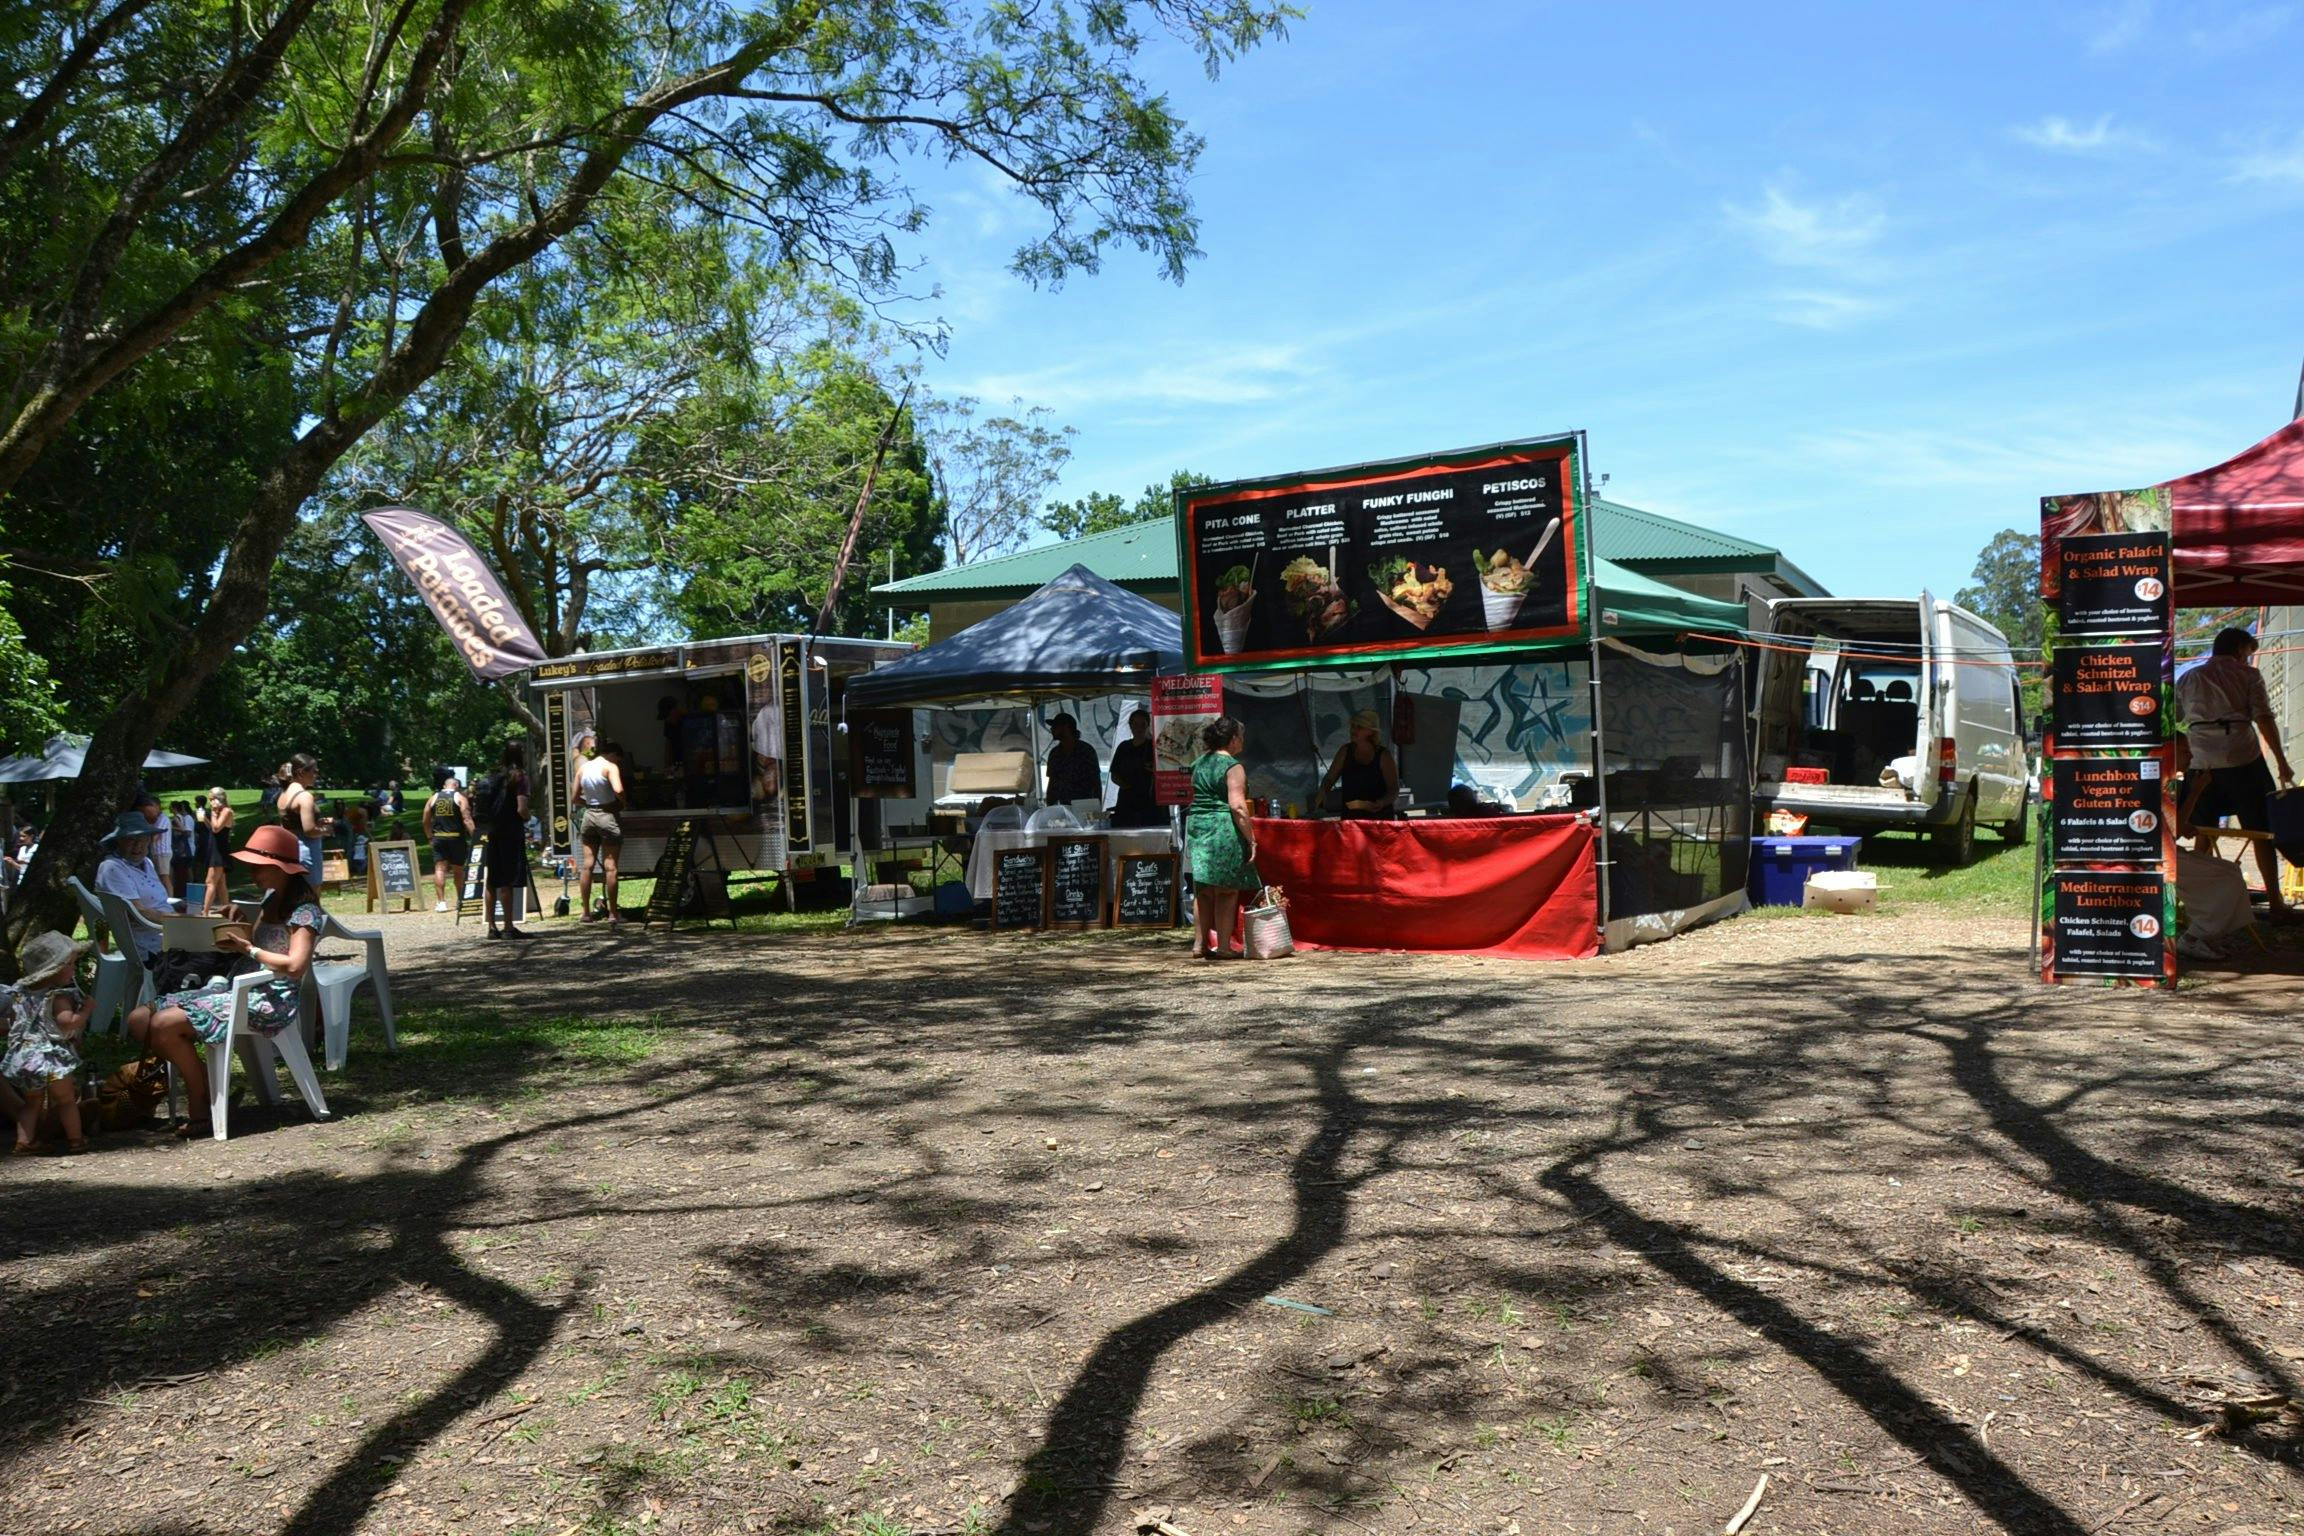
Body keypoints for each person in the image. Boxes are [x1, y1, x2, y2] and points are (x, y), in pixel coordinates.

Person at [126, 823, 325, 1142]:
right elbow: (263, 942)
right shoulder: (271, 898)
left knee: (163, 1024)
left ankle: (200, 1103)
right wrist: (239, 926)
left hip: (269, 998)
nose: (251, 873)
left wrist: (249, 949)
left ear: (280, 868)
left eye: (257, 867)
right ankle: (208, 1086)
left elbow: (295, 966)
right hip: (241, 986)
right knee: (139, 1020)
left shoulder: (304, 911)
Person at [2176, 627, 2295, 919]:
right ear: (2240, 649)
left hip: (2201, 759)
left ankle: (2194, 905)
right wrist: (2281, 761)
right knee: (2261, 832)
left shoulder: (2190, 677)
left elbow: (2176, 717)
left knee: (2203, 832)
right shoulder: (2248, 675)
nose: (2247, 659)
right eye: (2247, 653)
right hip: (2243, 758)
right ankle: (2277, 904)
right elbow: (2264, 718)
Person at [3, 932, 92, 1155]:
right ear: (54, 970)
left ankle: (24, 1142)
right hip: (50, 1059)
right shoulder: (58, 996)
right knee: (66, 1100)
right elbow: (66, 1023)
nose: (73, 969)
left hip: (25, 1057)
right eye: (70, 964)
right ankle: (76, 1140)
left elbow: (16, 1023)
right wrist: (86, 1011)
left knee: (31, 1102)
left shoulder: (19, 994)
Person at [1184, 716, 1258, 960]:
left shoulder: (1199, 763)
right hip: (1221, 828)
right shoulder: (1233, 766)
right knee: (1226, 890)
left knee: (1203, 888)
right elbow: (1237, 806)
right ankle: (1224, 947)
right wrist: (1251, 839)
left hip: (1197, 825)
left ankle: (1199, 945)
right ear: (1234, 739)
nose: (1243, 741)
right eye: (1241, 736)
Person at [95, 812, 175, 963]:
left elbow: (156, 901)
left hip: (166, 934)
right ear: (118, 841)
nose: (138, 846)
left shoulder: (147, 863)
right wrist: (182, 922)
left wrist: (181, 908)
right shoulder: (112, 868)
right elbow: (138, 912)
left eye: (143, 839)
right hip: (150, 947)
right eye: (131, 840)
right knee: (213, 952)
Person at [479, 745, 532, 938]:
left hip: (492, 831)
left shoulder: (494, 777)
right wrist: (528, 817)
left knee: (492, 879)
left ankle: (492, 927)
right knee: (507, 880)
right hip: (511, 831)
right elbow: (521, 808)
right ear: (521, 756)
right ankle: (508, 926)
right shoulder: (520, 778)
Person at [577, 737, 626, 925]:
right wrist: (623, 802)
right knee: (611, 867)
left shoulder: (584, 768)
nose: (617, 763)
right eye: (618, 759)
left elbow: (575, 798)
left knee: (587, 866)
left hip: (588, 816)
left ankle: (586, 913)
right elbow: (619, 790)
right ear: (613, 754)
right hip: (607, 815)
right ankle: (613, 914)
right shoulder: (610, 767)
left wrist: (589, 804)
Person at [1318, 708, 1400, 818]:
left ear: (1371, 731)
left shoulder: (1384, 755)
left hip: (1379, 820)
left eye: (1359, 727)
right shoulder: (1345, 751)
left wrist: (1381, 802)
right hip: (1352, 819)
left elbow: (1393, 788)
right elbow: (1329, 779)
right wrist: (1322, 793)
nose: (1353, 730)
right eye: (1353, 726)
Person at [275, 753, 330, 886]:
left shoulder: (283, 795)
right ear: (300, 773)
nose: (316, 775)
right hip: (306, 853)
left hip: (287, 851)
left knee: (292, 895)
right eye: (314, 771)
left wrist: (318, 823)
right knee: (311, 896)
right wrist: (325, 830)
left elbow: (291, 824)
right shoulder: (305, 796)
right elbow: (309, 830)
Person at [423, 772, 474, 913]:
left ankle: (441, 902)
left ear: (444, 786)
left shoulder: (433, 798)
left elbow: (425, 820)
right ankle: (460, 901)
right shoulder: (460, 798)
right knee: (458, 870)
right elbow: (467, 819)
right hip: (456, 838)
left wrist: (429, 837)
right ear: (456, 785)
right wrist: (475, 836)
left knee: (439, 869)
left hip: (438, 838)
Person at [1109, 709, 1162, 828]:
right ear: (1130, 726)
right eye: (1135, 724)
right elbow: (1114, 774)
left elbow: (1163, 772)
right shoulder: (1123, 747)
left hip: (1149, 801)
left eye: (1143, 724)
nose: (1139, 728)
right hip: (1126, 801)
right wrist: (1127, 786)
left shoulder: (1153, 747)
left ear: (1148, 725)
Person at [1045, 712, 1101, 808]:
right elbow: (1052, 783)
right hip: (1064, 806)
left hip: (1084, 805)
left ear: (1066, 727)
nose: (1052, 729)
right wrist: (1049, 806)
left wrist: (1097, 806)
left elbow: (1095, 782)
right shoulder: (1054, 753)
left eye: (1055, 727)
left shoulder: (1086, 751)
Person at [201, 787, 235, 916]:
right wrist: (205, 818)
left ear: (219, 799)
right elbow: (212, 827)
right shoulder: (219, 812)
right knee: (220, 884)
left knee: (210, 882)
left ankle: (205, 912)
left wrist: (214, 814)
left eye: (212, 799)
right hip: (215, 848)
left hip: (220, 851)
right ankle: (227, 909)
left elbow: (216, 828)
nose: (210, 803)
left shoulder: (226, 811)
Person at [168, 800, 196, 899]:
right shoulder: (182, 818)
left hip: (184, 849)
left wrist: (170, 827)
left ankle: (189, 892)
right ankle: (186, 892)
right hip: (184, 849)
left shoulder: (180, 818)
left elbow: (185, 832)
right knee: (185, 870)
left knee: (186, 870)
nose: (169, 808)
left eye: (170, 806)